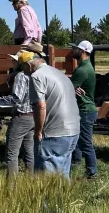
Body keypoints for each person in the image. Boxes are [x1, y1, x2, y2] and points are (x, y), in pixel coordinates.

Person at [24, 43, 80, 179]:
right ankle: (64, 199)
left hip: (55, 133)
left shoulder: (37, 76)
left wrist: (38, 131)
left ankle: (51, 201)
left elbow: (40, 106)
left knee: (48, 179)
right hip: (73, 130)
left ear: (28, 65)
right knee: (62, 174)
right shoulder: (57, 73)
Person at [0, 51, 36, 176]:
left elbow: (16, 99)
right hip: (33, 116)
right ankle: (31, 180)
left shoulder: (20, 76)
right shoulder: (34, 75)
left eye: (14, 61)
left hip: (21, 117)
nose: (12, 63)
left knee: (12, 153)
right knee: (29, 151)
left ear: (19, 63)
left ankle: (11, 186)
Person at [69, 40, 98, 180]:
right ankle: (75, 164)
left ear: (83, 52)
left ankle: (92, 172)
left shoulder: (82, 70)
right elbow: (72, 86)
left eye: (76, 49)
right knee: (78, 140)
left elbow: (67, 89)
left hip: (85, 110)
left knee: (86, 142)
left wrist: (71, 86)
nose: (73, 51)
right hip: (86, 110)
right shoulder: (86, 67)